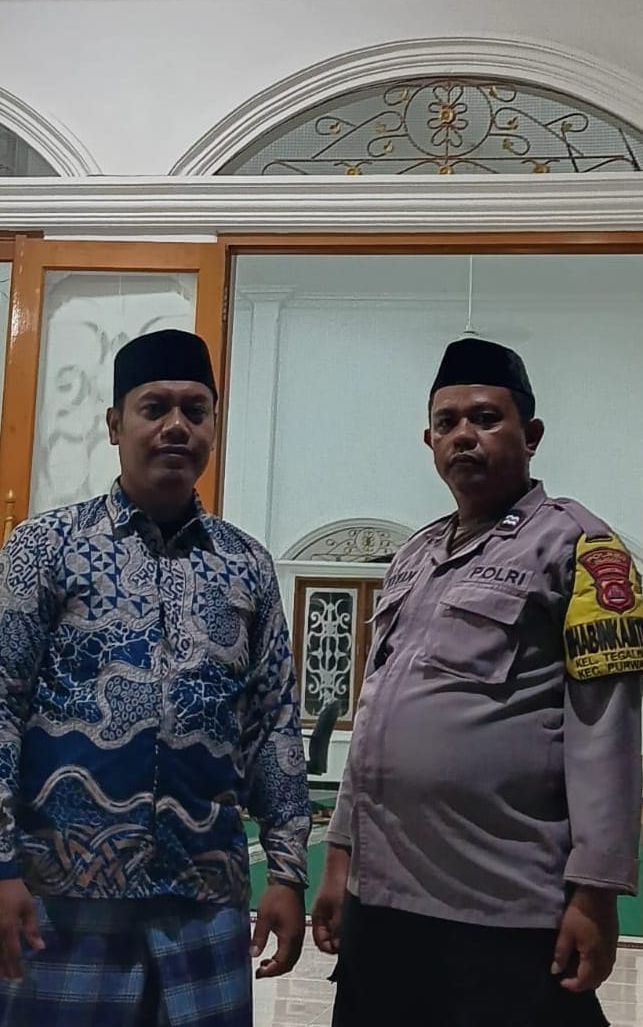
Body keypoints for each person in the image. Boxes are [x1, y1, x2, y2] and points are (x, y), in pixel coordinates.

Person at [313, 337, 643, 1027]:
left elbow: (605, 728)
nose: (464, 435)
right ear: (429, 441)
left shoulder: (578, 547)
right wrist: (341, 856)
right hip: (385, 902)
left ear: (531, 434)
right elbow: (372, 718)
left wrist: (596, 889)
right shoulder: (413, 556)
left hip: (502, 907)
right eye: (447, 422)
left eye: (486, 418)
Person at [0, 328, 310, 1026]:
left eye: (195, 410)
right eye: (154, 407)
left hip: (204, 898)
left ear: (213, 427)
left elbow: (272, 724)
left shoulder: (246, 565)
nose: (176, 425)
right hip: (61, 899)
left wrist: (288, 870)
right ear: (115, 424)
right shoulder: (44, 548)